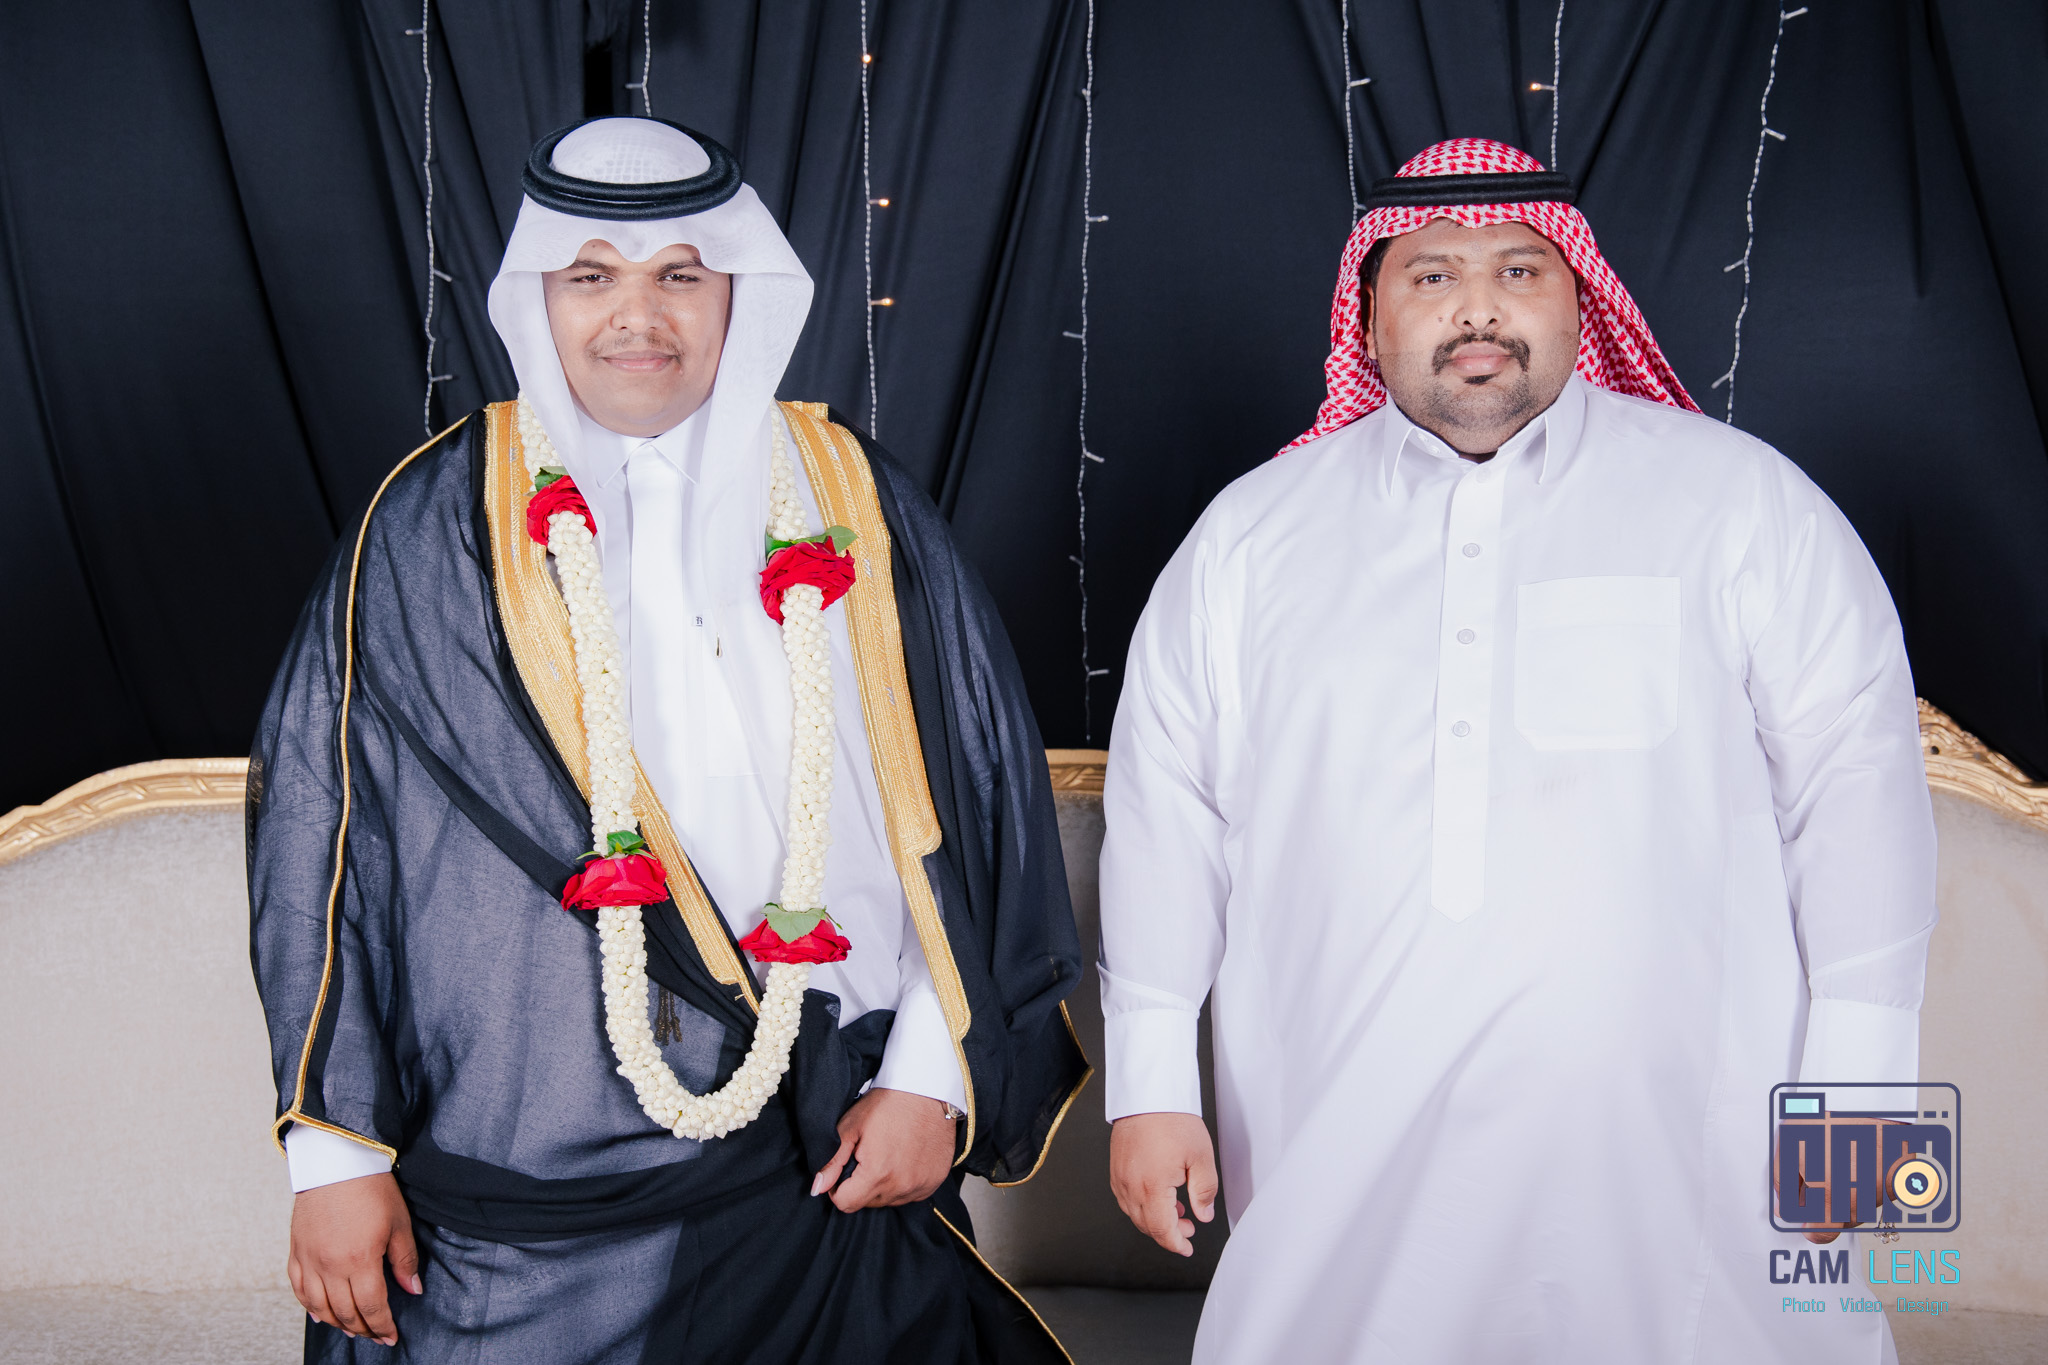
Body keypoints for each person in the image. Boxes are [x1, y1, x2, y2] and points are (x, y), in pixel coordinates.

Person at [249, 116, 1085, 1363]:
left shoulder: (852, 497)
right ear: (539, 297)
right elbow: (325, 844)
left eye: (679, 275)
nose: (636, 315)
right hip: (526, 1181)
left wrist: (931, 1075)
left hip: (833, 1143)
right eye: (590, 275)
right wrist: (332, 1157)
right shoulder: (434, 525)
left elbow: (975, 801)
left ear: (736, 291)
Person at [1098, 138, 1935, 1363]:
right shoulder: (1248, 542)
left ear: (1578, 300)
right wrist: (1149, 1086)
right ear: (1366, 317)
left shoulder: (1742, 506)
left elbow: (1857, 805)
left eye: (1518, 270)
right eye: (1431, 275)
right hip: (1336, 1144)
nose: (1477, 308)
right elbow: (1167, 821)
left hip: (1687, 1166)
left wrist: (1859, 1114)